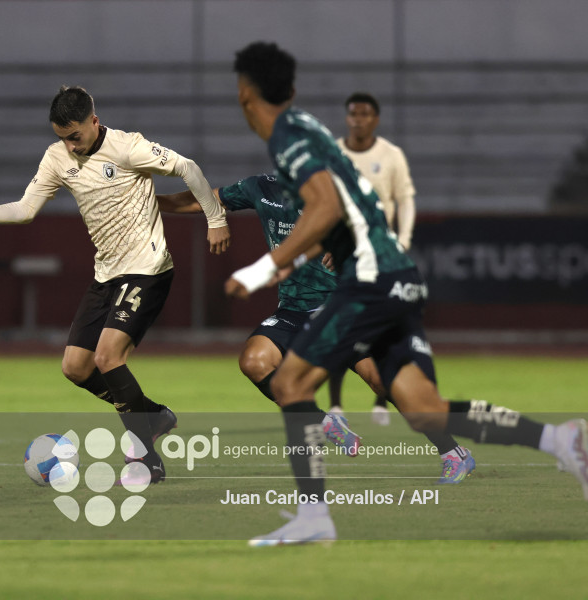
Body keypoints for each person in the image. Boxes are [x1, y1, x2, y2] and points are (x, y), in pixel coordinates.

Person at [225, 41, 588, 546]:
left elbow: (327, 204)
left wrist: (266, 264)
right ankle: (558, 439)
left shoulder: (288, 135)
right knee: (420, 406)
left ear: (246, 93)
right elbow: (350, 198)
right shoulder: (306, 131)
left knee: (292, 384)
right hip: (390, 274)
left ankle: (315, 516)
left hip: (371, 280)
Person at [0, 85, 230, 484]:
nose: (70, 146)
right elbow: (24, 210)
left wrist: (216, 219)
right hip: (106, 274)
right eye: (62, 138)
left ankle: (146, 460)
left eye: (75, 136)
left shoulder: (128, 148)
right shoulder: (57, 157)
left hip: (147, 268)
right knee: (75, 368)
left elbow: (188, 167)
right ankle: (153, 416)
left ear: (94, 120)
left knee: (108, 358)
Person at [158, 177, 476, 483]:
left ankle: (453, 452)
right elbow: (205, 199)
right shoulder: (261, 187)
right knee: (254, 361)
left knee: (382, 380)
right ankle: (324, 422)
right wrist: (150, 201)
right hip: (295, 309)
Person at [331, 92, 417, 425]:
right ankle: (338, 404)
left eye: (365, 114)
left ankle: (382, 396)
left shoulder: (391, 155)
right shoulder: (334, 153)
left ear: (375, 119)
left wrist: (404, 240)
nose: (358, 119)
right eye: (353, 113)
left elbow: (405, 199)